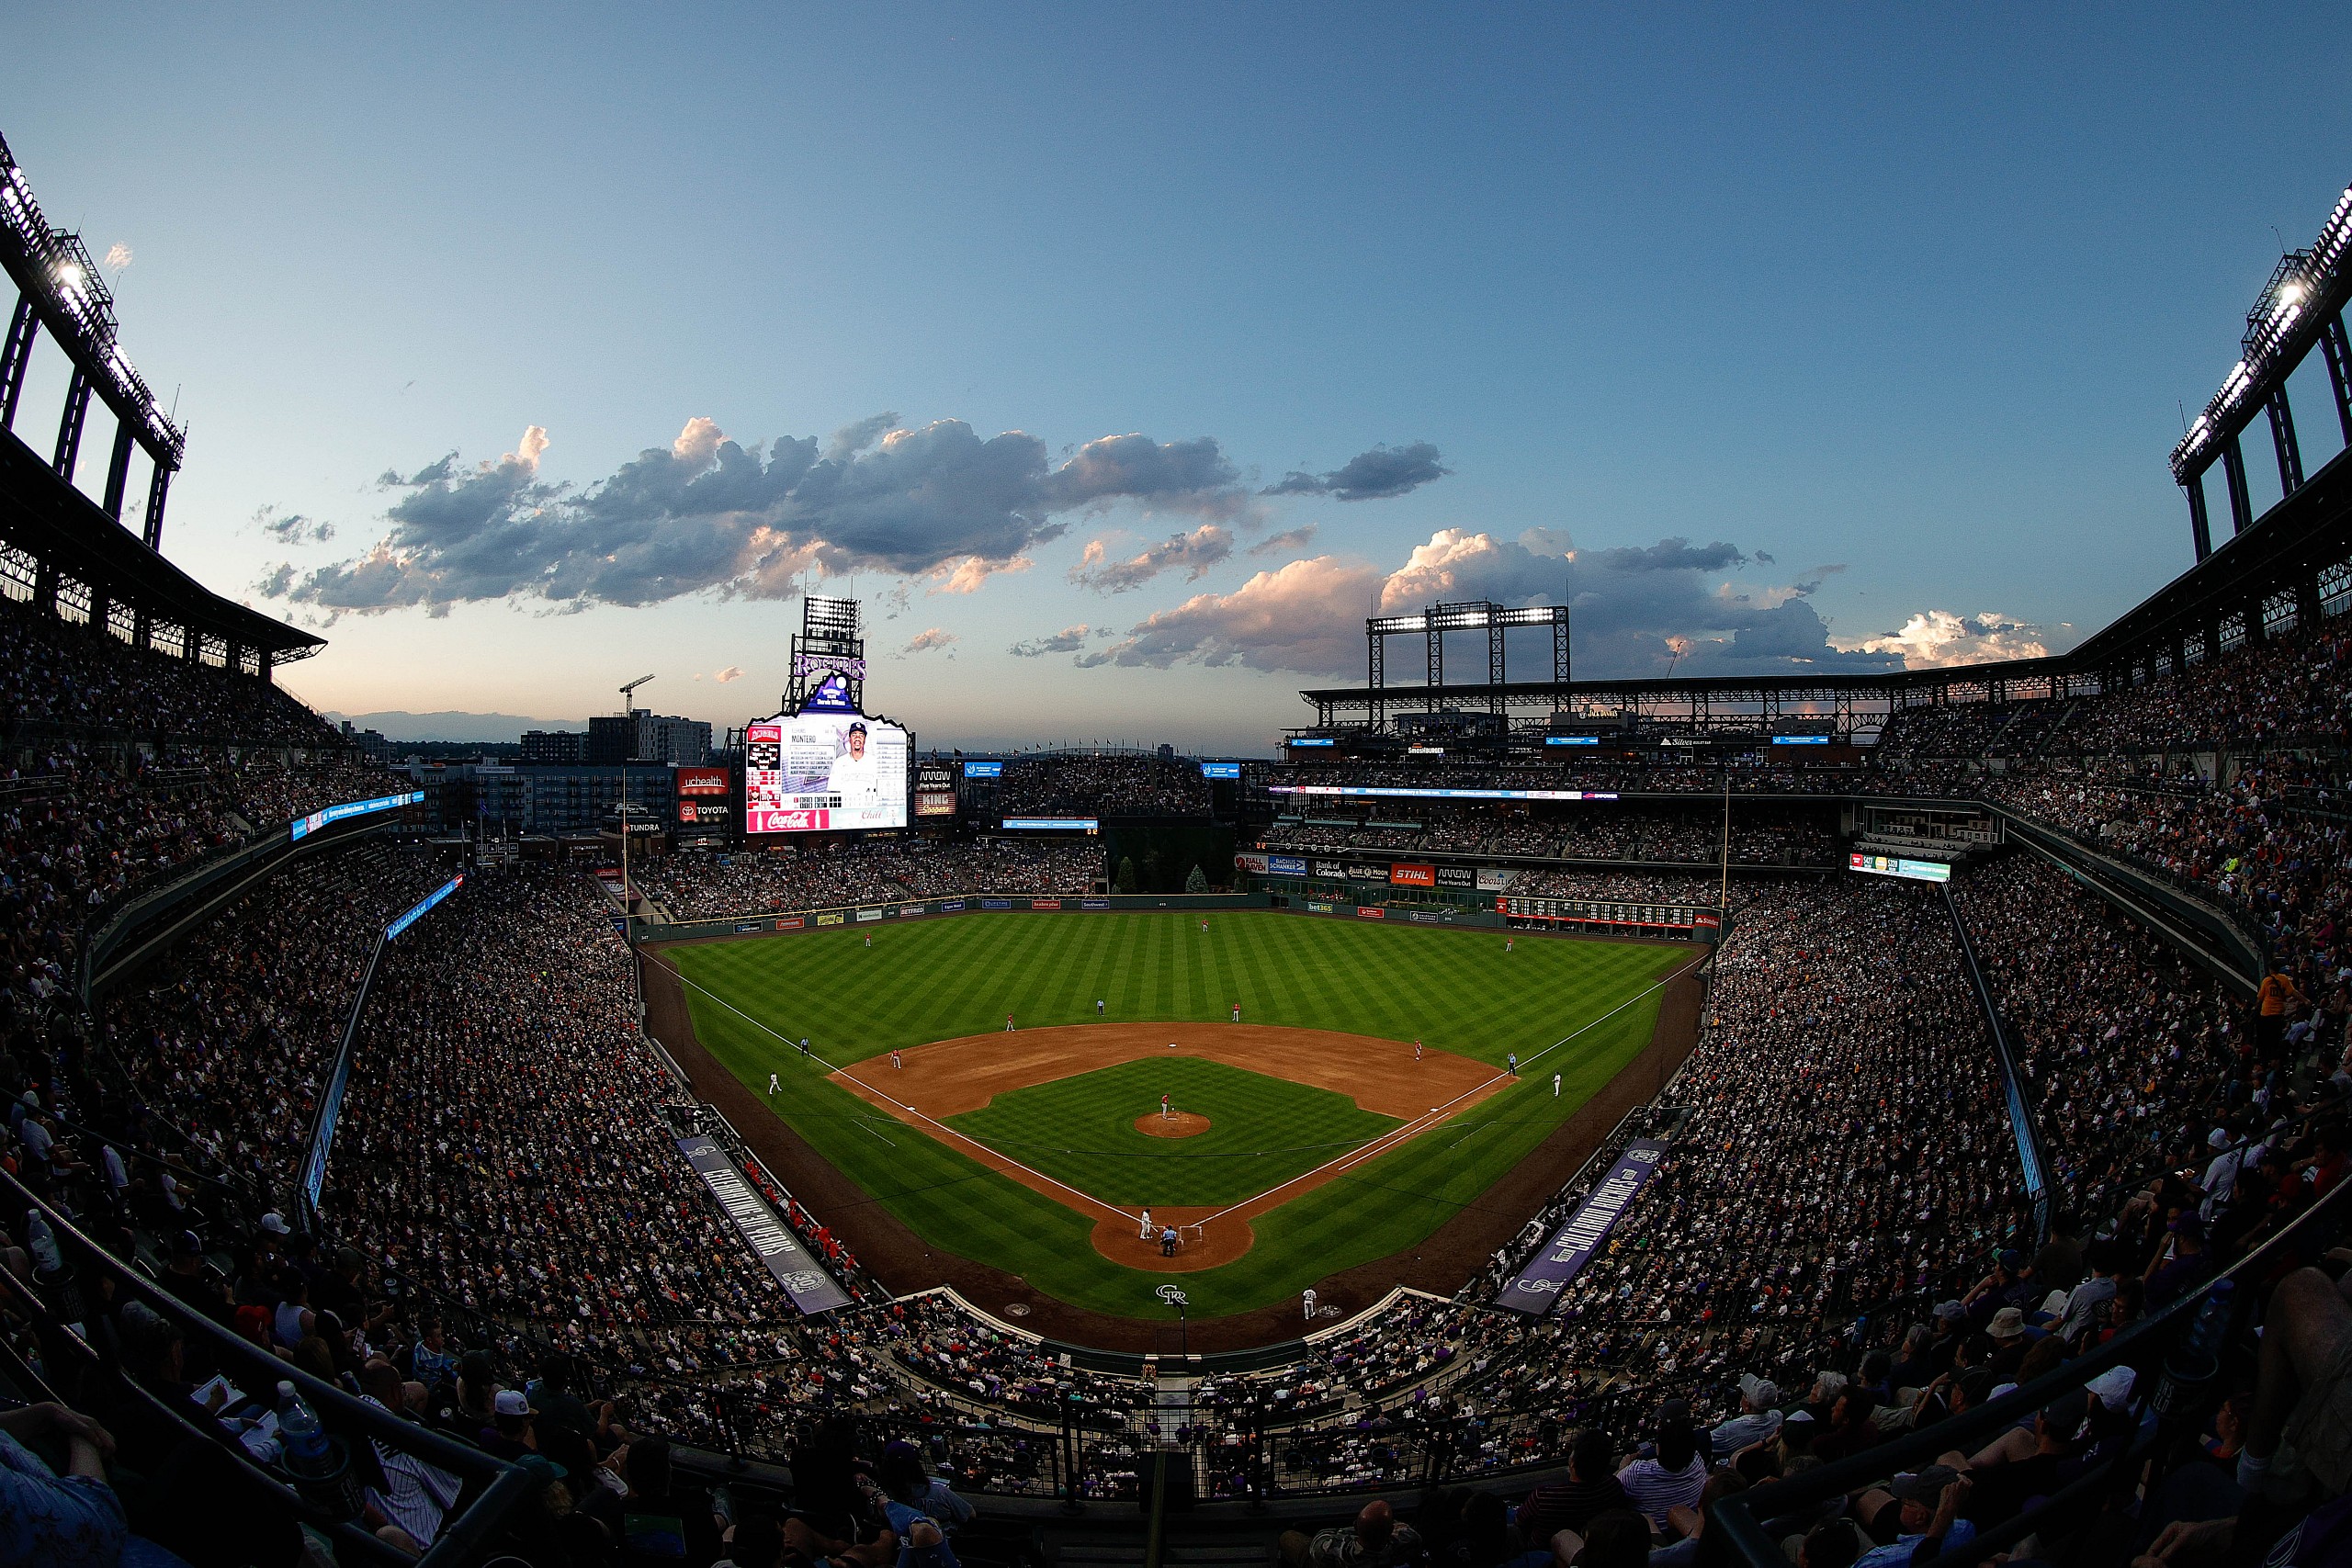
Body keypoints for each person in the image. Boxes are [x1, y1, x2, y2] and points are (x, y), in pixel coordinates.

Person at [825, 722, 884, 812]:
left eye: (861, 735)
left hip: (869, 814)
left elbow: (881, 793)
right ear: (849, 739)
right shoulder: (839, 763)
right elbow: (832, 793)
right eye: (854, 735)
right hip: (845, 813)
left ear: (864, 739)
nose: (857, 738)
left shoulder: (874, 762)